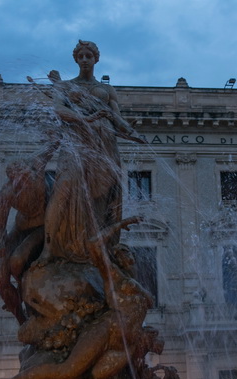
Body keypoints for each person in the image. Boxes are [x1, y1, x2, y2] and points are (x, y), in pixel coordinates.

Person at [0, 217, 153, 379]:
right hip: (107, 331)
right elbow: (94, 245)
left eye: (130, 252)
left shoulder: (133, 282)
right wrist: (119, 225)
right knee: (65, 372)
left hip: (125, 343)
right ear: (116, 258)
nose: (131, 255)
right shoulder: (112, 275)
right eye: (124, 252)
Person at [37, 40, 144, 266]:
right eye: (81, 56)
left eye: (89, 55)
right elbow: (59, 109)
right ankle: (48, 249)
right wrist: (83, 119)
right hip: (77, 142)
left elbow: (116, 117)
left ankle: (101, 251)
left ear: (96, 59)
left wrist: (131, 131)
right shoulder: (65, 86)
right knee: (64, 189)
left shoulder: (107, 90)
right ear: (76, 59)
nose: (85, 59)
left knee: (104, 197)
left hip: (105, 143)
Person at [0, 140, 58, 324]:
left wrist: (56, 133)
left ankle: (26, 293)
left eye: (25, 177)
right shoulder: (7, 193)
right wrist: (3, 246)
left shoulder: (38, 165)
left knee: (18, 261)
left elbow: (52, 144)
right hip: (20, 229)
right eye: (17, 181)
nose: (22, 183)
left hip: (45, 226)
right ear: (12, 180)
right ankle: (21, 318)